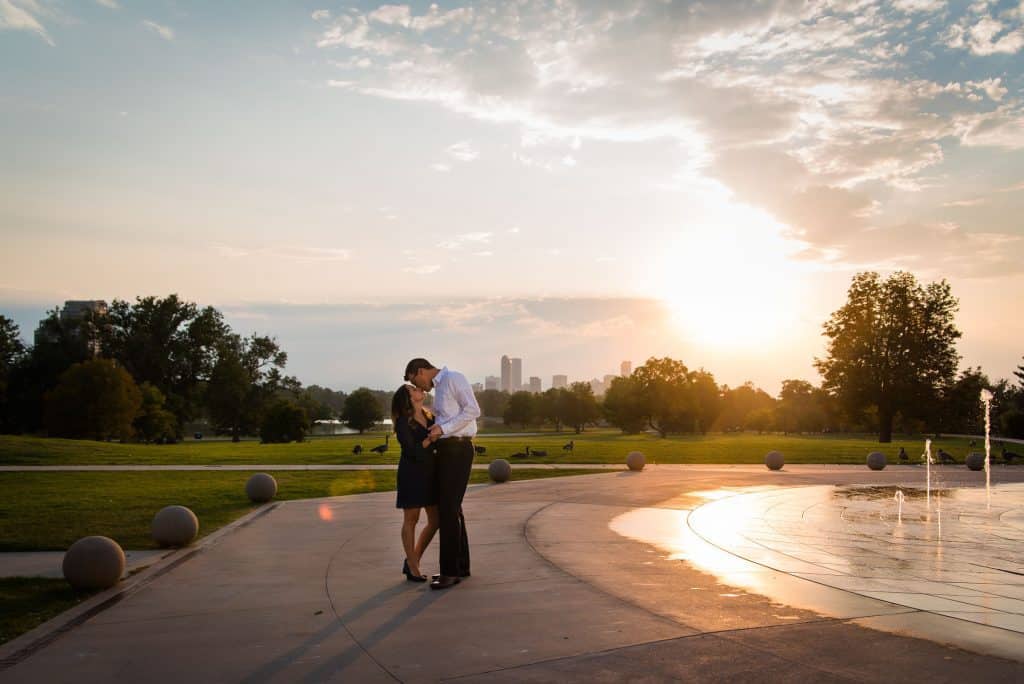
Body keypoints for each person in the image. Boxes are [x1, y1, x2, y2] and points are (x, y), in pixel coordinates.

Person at [404, 358, 480, 590]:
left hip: (458, 448)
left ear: (420, 371)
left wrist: (442, 428)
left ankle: (449, 572)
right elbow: (445, 418)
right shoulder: (439, 388)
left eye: (414, 380)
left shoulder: (453, 378)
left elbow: (473, 410)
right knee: (453, 508)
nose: (418, 387)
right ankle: (460, 566)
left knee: (447, 509)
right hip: (447, 450)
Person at [391, 384, 440, 582]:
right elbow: (411, 452)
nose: (419, 389)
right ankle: (413, 566)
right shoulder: (404, 422)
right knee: (411, 519)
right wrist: (430, 439)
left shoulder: (430, 417)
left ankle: (413, 559)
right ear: (409, 398)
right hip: (411, 474)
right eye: (413, 389)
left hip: (430, 474)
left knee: (435, 520)